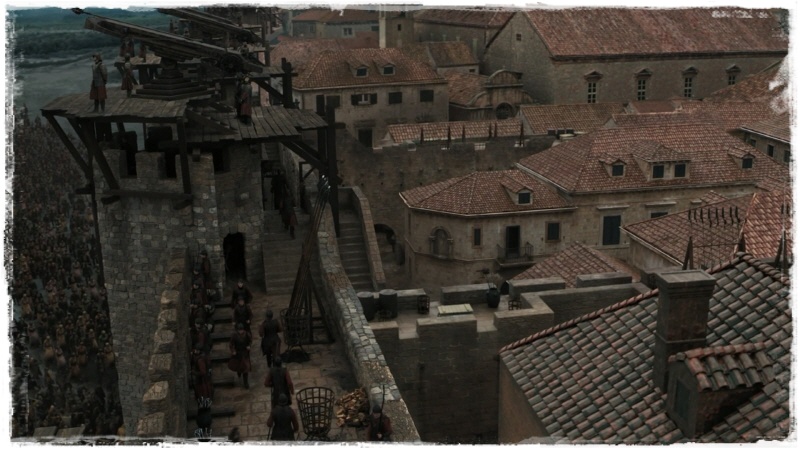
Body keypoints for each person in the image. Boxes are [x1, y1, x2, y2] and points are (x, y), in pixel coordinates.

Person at [228, 323, 252, 388]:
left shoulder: (247, 334)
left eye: (242, 330)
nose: (241, 331)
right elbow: (231, 344)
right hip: (238, 353)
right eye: (239, 330)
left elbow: (250, 341)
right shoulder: (234, 335)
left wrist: (249, 346)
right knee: (239, 366)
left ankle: (246, 383)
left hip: (245, 353)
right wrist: (233, 351)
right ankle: (239, 372)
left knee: (245, 368)